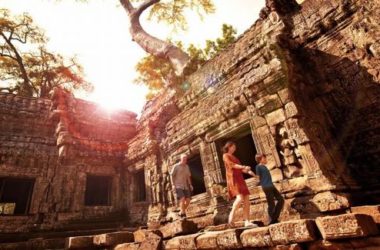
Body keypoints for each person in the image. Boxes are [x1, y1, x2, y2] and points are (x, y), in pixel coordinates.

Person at [222, 141, 257, 228]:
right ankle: (231, 216)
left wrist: (254, 174)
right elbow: (231, 165)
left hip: (240, 179)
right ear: (229, 147)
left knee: (246, 199)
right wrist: (243, 167)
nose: (235, 148)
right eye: (233, 147)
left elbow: (243, 170)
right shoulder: (225, 155)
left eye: (235, 147)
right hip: (233, 178)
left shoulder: (236, 158)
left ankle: (247, 221)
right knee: (240, 198)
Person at [255, 153, 284, 225]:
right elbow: (258, 178)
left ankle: (274, 218)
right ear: (260, 159)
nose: (266, 160)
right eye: (264, 158)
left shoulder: (265, 167)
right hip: (266, 186)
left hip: (271, 185)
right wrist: (256, 183)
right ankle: (272, 219)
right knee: (271, 204)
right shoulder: (258, 167)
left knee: (281, 200)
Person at [170, 154, 193, 218]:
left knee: (188, 200)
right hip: (178, 185)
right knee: (182, 198)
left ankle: (181, 211)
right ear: (181, 159)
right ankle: (183, 213)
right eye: (183, 159)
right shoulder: (176, 166)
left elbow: (188, 176)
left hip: (185, 185)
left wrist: (190, 184)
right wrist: (173, 185)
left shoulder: (187, 167)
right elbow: (171, 175)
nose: (184, 160)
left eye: (185, 159)